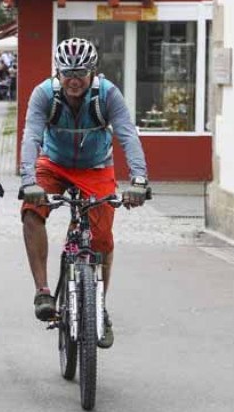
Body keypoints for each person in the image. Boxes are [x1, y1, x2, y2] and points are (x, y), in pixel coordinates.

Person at [19, 37, 149, 349]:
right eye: (67, 73)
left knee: (102, 240)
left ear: (93, 71)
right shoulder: (44, 94)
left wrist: (139, 180)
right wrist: (28, 181)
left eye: (81, 72)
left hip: (96, 167)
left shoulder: (108, 95)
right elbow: (31, 136)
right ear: (57, 72)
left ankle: (99, 307)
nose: (74, 80)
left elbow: (128, 135)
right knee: (31, 213)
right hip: (53, 163)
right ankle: (43, 292)